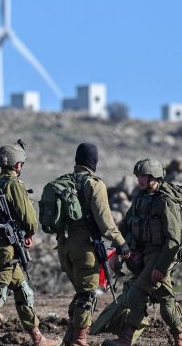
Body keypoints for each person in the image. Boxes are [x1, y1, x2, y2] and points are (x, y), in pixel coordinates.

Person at [0, 140, 57, 346]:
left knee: (22, 290)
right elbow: (29, 218)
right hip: (7, 248)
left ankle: (38, 338)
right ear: (17, 164)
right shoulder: (13, 184)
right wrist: (30, 232)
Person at [53, 143, 128, 346]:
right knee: (88, 295)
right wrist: (122, 244)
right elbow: (106, 223)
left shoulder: (63, 182)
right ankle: (79, 340)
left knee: (80, 292)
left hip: (63, 248)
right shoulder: (94, 184)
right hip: (85, 249)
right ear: (93, 161)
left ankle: (69, 338)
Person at [111, 158, 182, 346]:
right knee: (166, 300)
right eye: (138, 176)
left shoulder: (165, 201)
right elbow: (125, 225)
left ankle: (126, 339)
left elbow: (174, 239)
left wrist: (161, 267)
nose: (139, 179)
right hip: (141, 255)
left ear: (154, 177)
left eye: (143, 175)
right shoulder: (140, 198)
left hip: (159, 255)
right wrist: (116, 251)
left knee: (136, 294)